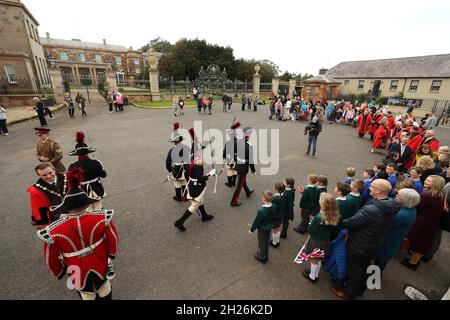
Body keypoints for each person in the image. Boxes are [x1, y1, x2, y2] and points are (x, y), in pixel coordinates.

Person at [37, 167, 118, 300]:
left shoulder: (53, 231)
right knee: (104, 288)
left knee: (85, 293)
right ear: (87, 204)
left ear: (66, 208)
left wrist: (59, 271)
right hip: (100, 259)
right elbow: (112, 238)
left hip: (74, 264)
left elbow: (50, 258)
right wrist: (111, 254)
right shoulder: (101, 218)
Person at [331, 179, 401, 300]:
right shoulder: (391, 204)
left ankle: (349, 292)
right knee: (362, 267)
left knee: (354, 270)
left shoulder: (372, 209)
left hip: (360, 244)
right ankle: (360, 288)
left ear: (379, 191)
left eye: (372, 187)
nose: (369, 188)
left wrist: (338, 222)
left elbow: (353, 222)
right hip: (373, 242)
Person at [403, 175, 446, 270]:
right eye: (426, 180)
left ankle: (413, 262)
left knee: (418, 243)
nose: (426, 182)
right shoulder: (440, 194)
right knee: (422, 243)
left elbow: (417, 207)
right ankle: (414, 261)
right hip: (431, 222)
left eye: (429, 181)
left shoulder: (427, 195)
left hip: (423, 223)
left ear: (436, 184)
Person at [375, 188, 420, 273]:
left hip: (388, 240)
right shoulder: (411, 209)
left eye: (399, 196)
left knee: (379, 263)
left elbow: (385, 226)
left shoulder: (402, 214)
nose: (396, 196)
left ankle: (372, 282)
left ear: (405, 200)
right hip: (394, 239)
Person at [300, 193, 340, 284]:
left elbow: (311, 230)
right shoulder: (333, 215)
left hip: (316, 241)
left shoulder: (319, 217)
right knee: (319, 258)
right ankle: (316, 274)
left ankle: (312, 276)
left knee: (314, 258)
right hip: (325, 240)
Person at [68, 132, 107, 210]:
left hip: (83, 189)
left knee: (87, 208)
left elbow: (71, 181)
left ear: (77, 154)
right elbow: (104, 175)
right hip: (97, 187)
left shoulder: (72, 166)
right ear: (87, 152)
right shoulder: (96, 162)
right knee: (98, 206)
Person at [174, 159, 216, 232]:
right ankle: (179, 222)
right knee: (194, 205)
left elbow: (187, 174)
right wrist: (210, 174)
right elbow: (200, 179)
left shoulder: (187, 161)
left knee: (201, 200)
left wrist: (190, 183)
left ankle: (204, 215)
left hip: (192, 184)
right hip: (197, 187)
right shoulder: (197, 165)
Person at [27, 162, 67, 229]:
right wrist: (59, 216)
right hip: (56, 222)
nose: (48, 176)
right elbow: (41, 214)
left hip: (75, 214)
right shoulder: (35, 191)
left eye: (50, 173)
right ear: (39, 175)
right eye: (44, 175)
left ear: (54, 170)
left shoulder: (68, 178)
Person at [249, 190, 277, 264]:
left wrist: (252, 229)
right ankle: (265, 254)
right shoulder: (273, 206)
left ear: (264, 199)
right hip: (269, 227)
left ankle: (262, 257)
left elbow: (257, 221)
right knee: (266, 241)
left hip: (262, 229)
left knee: (261, 243)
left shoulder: (261, 210)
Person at [230, 127, 256, 207]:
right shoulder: (249, 146)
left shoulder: (236, 142)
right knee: (239, 186)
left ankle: (248, 192)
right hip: (243, 168)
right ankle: (233, 202)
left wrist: (234, 161)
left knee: (242, 180)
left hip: (238, 165)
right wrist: (253, 170)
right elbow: (250, 160)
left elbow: (232, 153)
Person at [166, 123, 189, 202]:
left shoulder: (172, 150)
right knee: (184, 183)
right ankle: (185, 197)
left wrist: (169, 170)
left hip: (176, 171)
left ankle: (178, 198)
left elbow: (168, 162)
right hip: (185, 170)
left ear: (174, 142)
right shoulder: (186, 148)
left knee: (177, 185)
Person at [223, 122, 241, 188]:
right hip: (237, 160)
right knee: (235, 171)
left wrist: (224, 157)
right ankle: (234, 183)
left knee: (229, 171)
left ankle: (230, 183)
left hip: (230, 160)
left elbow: (224, 153)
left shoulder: (228, 143)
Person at [269, 183, 284, 249]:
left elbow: (272, 208)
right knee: (278, 228)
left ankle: (274, 243)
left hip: (275, 217)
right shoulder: (284, 196)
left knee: (274, 230)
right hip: (281, 215)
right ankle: (277, 241)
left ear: (276, 189)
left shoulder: (274, 198)